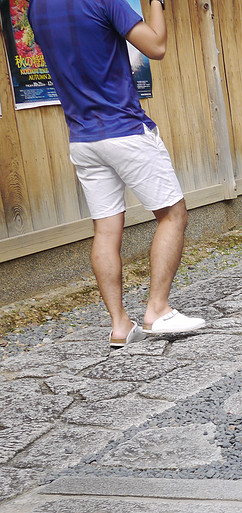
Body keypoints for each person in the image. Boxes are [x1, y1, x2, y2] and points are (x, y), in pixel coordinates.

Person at [28, 0, 206, 349]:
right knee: (173, 214)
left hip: (82, 138)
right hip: (125, 131)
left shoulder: (37, 9)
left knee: (106, 230)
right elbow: (156, 46)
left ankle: (119, 324)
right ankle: (157, 310)